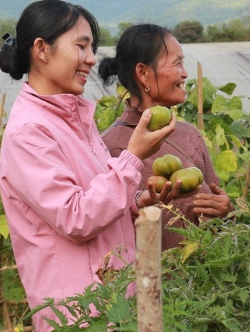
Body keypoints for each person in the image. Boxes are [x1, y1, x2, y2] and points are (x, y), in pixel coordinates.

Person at [0, 1, 177, 332]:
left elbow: (94, 197)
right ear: (42, 50)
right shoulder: (29, 132)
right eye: (81, 46)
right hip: (78, 327)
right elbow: (76, 217)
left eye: (92, 47)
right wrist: (132, 157)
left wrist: (136, 201)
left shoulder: (72, 117)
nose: (92, 58)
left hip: (110, 313)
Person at [99, 24, 232, 251]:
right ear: (143, 74)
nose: (185, 73)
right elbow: (109, 227)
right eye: (177, 63)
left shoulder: (190, 135)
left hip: (207, 278)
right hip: (152, 282)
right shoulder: (112, 146)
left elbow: (216, 201)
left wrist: (226, 211)